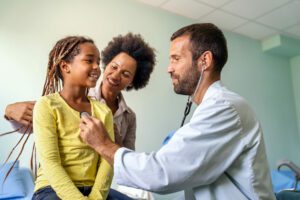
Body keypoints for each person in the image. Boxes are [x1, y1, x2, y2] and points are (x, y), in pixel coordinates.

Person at [79, 23, 276, 200]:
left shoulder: (224, 109)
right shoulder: (212, 109)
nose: (169, 69)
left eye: (176, 59)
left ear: (204, 61)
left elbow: (162, 172)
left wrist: (104, 144)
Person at [3, 33, 156, 199]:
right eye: (113, 66)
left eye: (126, 74)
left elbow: (123, 159)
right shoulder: (49, 104)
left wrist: (110, 144)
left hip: (96, 187)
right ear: (65, 66)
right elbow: (46, 152)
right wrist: (9, 111)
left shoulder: (118, 115)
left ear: (132, 81)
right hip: (55, 187)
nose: (115, 74)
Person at [32, 36, 115, 200]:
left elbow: (107, 160)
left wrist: (96, 197)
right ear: (65, 66)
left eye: (98, 62)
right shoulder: (46, 106)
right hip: (52, 189)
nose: (97, 67)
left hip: (93, 191)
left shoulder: (104, 111)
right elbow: (50, 162)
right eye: (89, 60)